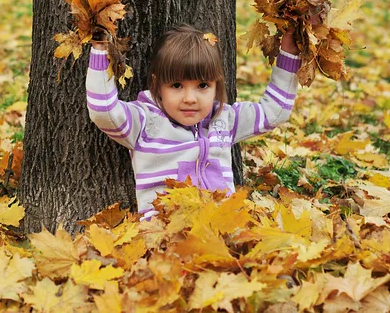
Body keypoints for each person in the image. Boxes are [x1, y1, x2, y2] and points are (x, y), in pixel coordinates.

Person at [86, 24, 300, 220]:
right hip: (168, 235)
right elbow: (104, 112)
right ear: (157, 85)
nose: (190, 98)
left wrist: (289, 53)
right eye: (177, 85)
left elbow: (274, 112)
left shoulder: (223, 120)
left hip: (222, 230)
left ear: (216, 86)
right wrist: (100, 50)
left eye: (203, 85)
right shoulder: (145, 122)